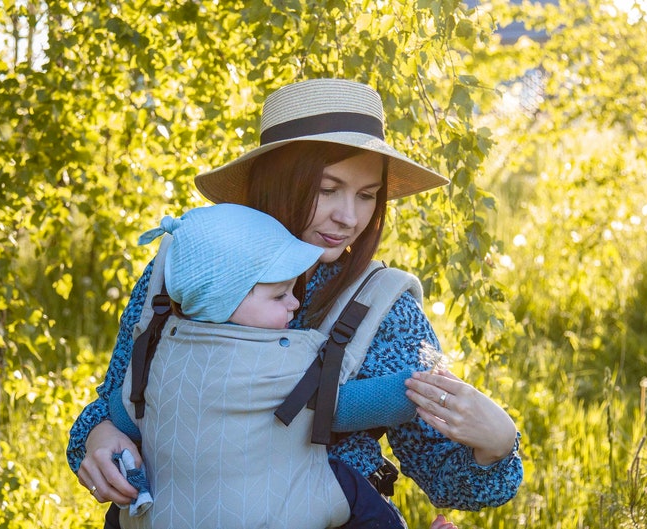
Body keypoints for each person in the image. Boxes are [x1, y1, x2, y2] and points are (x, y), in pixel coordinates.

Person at [68, 78, 522, 526]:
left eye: (367, 196)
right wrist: (99, 437)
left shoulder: (385, 308)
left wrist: (496, 444)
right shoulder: (186, 266)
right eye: (328, 190)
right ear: (278, 180)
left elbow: (446, 482)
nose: (348, 217)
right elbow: (122, 394)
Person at [109, 203, 422, 527]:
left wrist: (108, 428)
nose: (295, 303)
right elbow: (343, 407)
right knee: (349, 484)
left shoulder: (161, 350)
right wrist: (414, 390)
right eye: (280, 296)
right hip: (262, 517)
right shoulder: (281, 362)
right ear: (227, 301)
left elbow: (125, 413)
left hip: (164, 517)